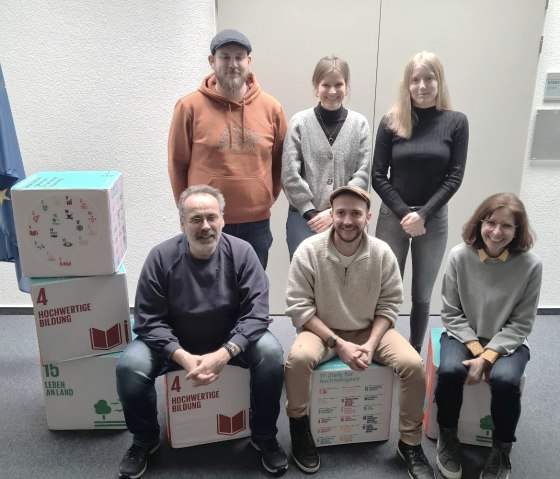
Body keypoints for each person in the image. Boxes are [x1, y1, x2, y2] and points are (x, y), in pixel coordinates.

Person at [116, 185, 287, 479]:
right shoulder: (160, 257)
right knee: (130, 367)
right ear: (182, 223)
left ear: (223, 219)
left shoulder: (243, 253)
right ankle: (144, 439)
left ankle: (264, 436)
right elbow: (147, 320)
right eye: (195, 219)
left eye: (212, 217)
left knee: (271, 354)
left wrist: (225, 353)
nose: (205, 226)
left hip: (229, 342)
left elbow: (257, 314)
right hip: (175, 345)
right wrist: (181, 356)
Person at [284, 185, 435, 479]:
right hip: (322, 331)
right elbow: (298, 307)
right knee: (298, 359)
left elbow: (390, 305)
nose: (347, 220)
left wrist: (371, 342)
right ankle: (299, 428)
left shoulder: (382, 253)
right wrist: (337, 343)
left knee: (412, 365)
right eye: (340, 213)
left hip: (369, 328)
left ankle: (410, 443)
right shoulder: (308, 251)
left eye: (355, 214)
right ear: (332, 215)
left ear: (368, 217)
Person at [435, 193, 542, 479]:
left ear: (518, 230)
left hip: (508, 341)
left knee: (506, 381)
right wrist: (475, 347)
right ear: (479, 221)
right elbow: (450, 312)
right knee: (447, 372)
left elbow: (521, 324)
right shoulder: (459, 255)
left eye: (506, 226)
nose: (496, 232)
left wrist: (489, 356)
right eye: (491, 222)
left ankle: (501, 447)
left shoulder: (531, 265)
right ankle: (447, 435)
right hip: (462, 334)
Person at [371, 51, 469, 353]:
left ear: (439, 82)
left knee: (422, 294)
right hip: (392, 217)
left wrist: (423, 215)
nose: (422, 86)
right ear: (407, 84)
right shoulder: (391, 122)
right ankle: (381, 348)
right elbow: (377, 175)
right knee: (385, 290)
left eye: (429, 78)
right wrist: (404, 214)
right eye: (416, 79)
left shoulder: (456, 122)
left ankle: (413, 352)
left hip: (433, 219)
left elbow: (454, 177)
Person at [168, 29, 287, 269]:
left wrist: (264, 197)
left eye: (239, 57)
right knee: (206, 291)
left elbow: (280, 163)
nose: (232, 64)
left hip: (257, 223)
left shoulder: (271, 108)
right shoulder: (189, 107)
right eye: (224, 57)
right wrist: (188, 212)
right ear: (212, 61)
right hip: (206, 222)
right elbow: (177, 164)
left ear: (248, 62)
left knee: (250, 292)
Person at [281, 55, 370, 259]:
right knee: (304, 283)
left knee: (342, 281)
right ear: (316, 86)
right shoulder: (300, 122)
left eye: (338, 84)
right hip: (303, 220)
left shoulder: (359, 124)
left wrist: (334, 212)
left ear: (346, 86)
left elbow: (362, 174)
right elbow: (289, 173)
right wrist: (310, 211)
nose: (332, 91)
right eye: (325, 84)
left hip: (345, 220)